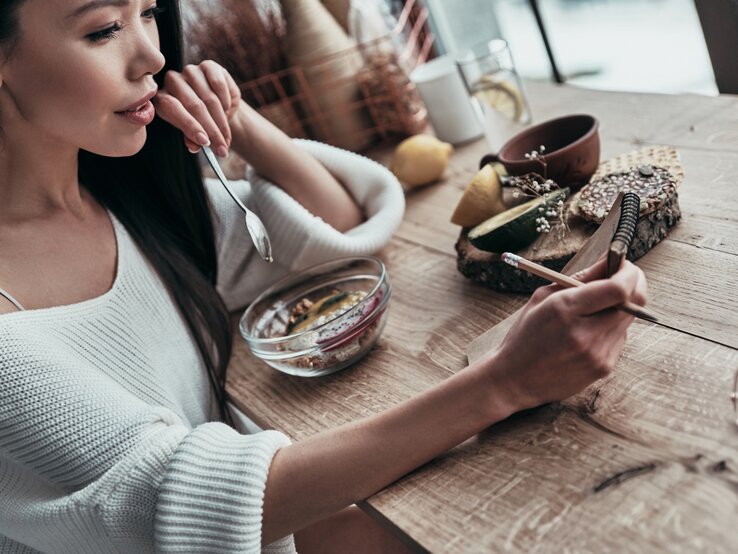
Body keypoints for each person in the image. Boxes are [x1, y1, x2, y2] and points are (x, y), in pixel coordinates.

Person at [0, 1, 647, 552]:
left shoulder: (118, 206)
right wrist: (506, 381)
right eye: (102, 29)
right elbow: (188, 510)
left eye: (147, 13)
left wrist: (238, 121)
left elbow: (332, 239)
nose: (151, 57)